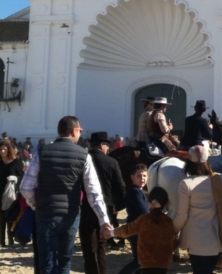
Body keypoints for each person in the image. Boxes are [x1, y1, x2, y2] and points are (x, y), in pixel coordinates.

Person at [20, 116, 112, 274]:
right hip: (70, 214)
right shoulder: (84, 155)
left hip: (46, 213)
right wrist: (104, 220)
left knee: (47, 263)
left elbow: (25, 187)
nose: (80, 135)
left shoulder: (42, 152)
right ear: (74, 131)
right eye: (80, 131)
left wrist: (35, 204)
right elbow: (94, 193)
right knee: (64, 262)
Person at [173, 144, 222, 274]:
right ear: (207, 160)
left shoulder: (185, 184)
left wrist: (173, 230)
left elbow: (182, 216)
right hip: (218, 239)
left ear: (189, 163)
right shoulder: (220, 178)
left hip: (195, 240)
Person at [80, 131, 125, 274]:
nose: (108, 149)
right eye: (107, 145)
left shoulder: (83, 160)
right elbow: (120, 187)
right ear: (102, 145)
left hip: (86, 208)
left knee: (88, 248)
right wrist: (118, 206)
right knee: (101, 247)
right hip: (106, 208)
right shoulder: (111, 162)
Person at [113, 186, 175, 274]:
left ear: (149, 201)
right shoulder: (168, 222)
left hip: (147, 261)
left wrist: (112, 232)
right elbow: (172, 241)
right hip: (163, 262)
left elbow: (127, 230)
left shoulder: (144, 219)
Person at [0, 139, 24, 247]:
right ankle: (1, 241)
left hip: (12, 195)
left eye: (4, 149)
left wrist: (15, 178)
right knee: (1, 218)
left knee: (11, 217)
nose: (2, 151)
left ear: (9, 150)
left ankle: (11, 240)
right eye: (0, 149)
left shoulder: (16, 163)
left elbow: (23, 177)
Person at [117, 164, 149, 274]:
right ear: (132, 177)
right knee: (139, 261)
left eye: (144, 176)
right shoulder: (135, 192)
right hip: (136, 230)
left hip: (136, 230)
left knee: (140, 260)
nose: (142, 179)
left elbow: (121, 204)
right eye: (139, 176)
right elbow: (144, 211)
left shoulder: (137, 191)